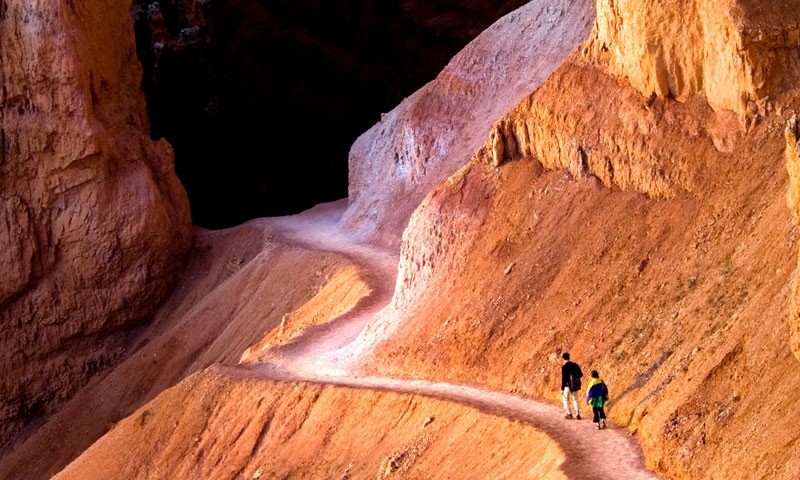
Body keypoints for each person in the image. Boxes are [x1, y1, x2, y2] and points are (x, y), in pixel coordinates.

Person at [560, 352, 583, 419]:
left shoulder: (564, 367)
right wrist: (575, 379)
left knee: (566, 399)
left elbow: (564, 378)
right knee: (575, 399)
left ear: (563, 358)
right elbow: (581, 374)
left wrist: (562, 388)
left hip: (567, 386)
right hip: (574, 385)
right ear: (569, 357)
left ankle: (569, 413)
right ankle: (577, 414)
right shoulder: (575, 365)